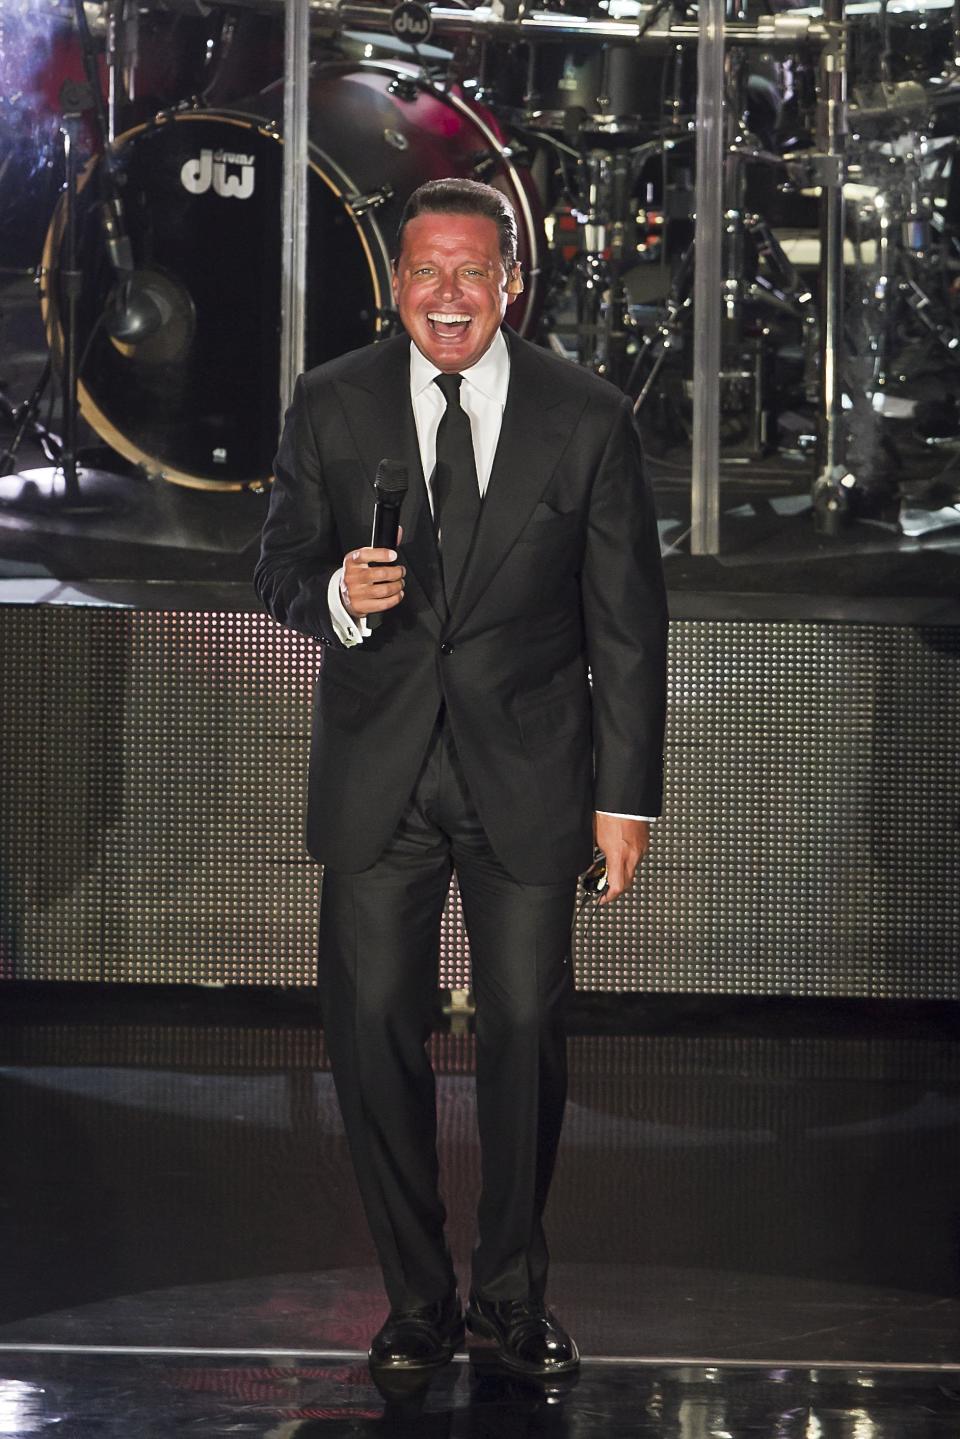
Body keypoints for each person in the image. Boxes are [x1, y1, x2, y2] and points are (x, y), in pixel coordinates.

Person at [254, 177, 668, 1382]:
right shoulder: (331, 402)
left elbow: (627, 623)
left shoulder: (585, 416)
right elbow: (275, 565)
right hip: (379, 779)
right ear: (395, 283)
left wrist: (626, 797)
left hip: (531, 777)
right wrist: (336, 597)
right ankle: (416, 1299)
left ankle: (510, 1295)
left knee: (528, 1031)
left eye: (471, 273)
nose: (448, 296)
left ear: (510, 285)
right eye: (426, 271)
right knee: (374, 1031)